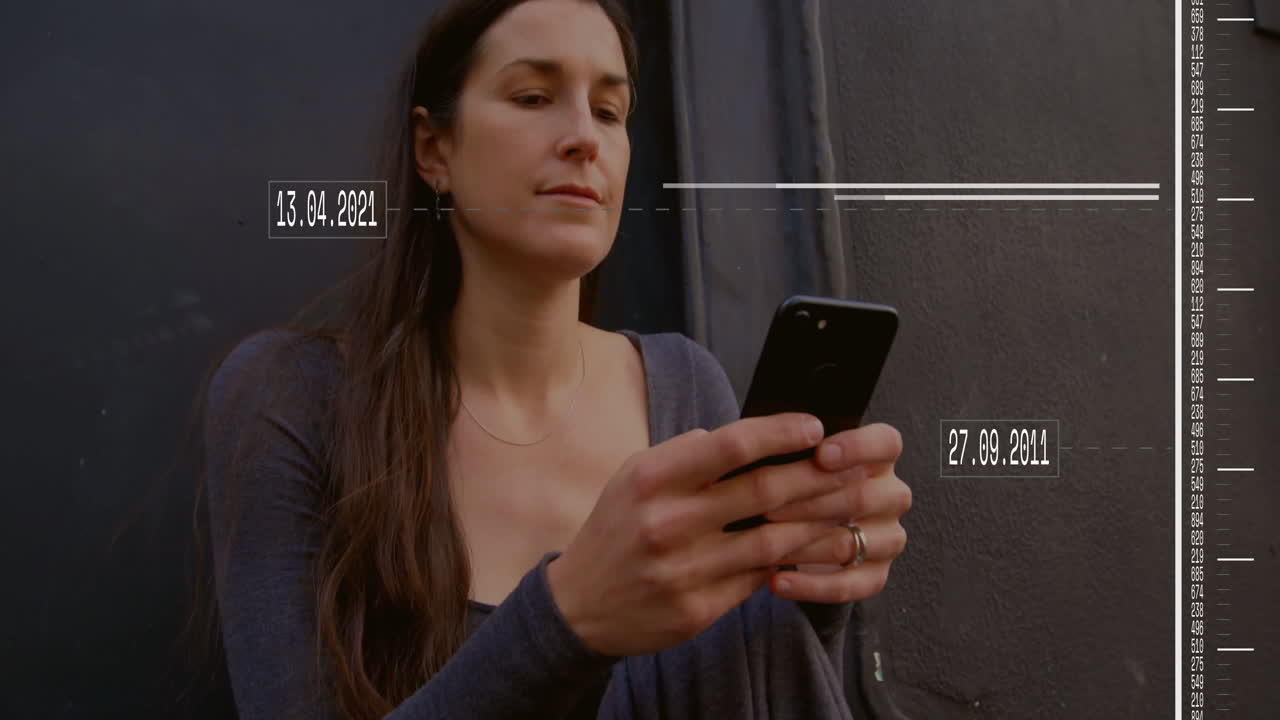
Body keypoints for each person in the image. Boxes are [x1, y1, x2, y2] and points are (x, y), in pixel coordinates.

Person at [198, 0, 912, 718]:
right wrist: (567, 620)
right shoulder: (291, 397)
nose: (582, 138)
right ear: (433, 152)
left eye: (609, 111)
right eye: (533, 97)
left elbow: (746, 687)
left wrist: (815, 590)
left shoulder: (686, 387)